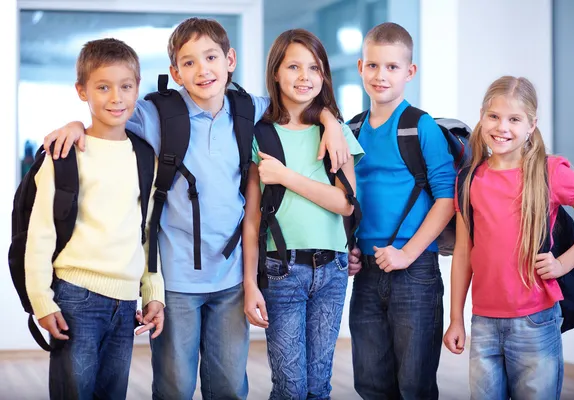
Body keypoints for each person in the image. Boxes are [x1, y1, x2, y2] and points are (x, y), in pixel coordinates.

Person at [43, 18, 349, 400]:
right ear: (175, 72)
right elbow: (107, 111)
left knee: (229, 388)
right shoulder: (157, 114)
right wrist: (74, 125)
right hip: (175, 281)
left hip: (232, 278)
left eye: (211, 57)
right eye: (188, 63)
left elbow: (298, 101)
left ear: (230, 59)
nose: (203, 70)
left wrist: (330, 120)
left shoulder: (247, 109)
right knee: (174, 387)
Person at [443, 76, 574, 399]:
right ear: (482, 116)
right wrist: (456, 318)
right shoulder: (470, 179)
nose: (502, 127)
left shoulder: (551, 172)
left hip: (536, 323)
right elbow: (463, 252)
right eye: (494, 116)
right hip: (483, 323)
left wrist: (562, 264)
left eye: (514, 119)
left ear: (531, 125)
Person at [25, 38, 165, 400]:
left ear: (137, 88)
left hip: (126, 304)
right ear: (82, 91)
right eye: (103, 87)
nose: (116, 98)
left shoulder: (144, 156)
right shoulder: (64, 155)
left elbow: (147, 233)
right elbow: (39, 234)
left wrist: (154, 292)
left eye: (126, 86)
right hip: (75, 299)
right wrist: (42, 300)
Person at [242, 28, 363, 399]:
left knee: (319, 385)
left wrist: (286, 176)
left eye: (314, 68)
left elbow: (346, 203)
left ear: (324, 75)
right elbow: (252, 219)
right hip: (281, 270)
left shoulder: (335, 133)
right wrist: (249, 284)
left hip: (333, 269)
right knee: (291, 386)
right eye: (293, 66)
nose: (304, 77)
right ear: (275, 73)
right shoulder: (259, 135)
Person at [347, 22, 456, 399]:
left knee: (415, 384)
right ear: (361, 67)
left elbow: (447, 198)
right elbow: (348, 199)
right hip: (368, 271)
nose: (381, 76)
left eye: (393, 67)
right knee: (371, 382)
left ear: (410, 72)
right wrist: (351, 248)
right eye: (373, 66)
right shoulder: (353, 128)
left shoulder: (420, 126)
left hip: (416, 270)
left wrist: (408, 253)